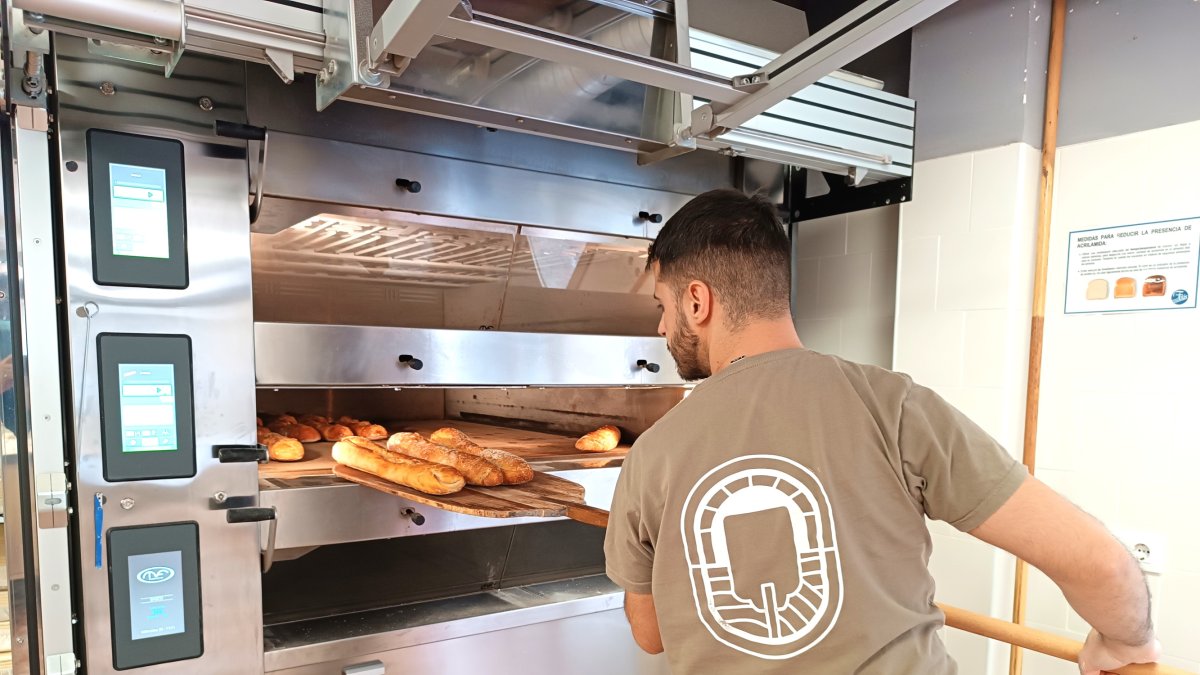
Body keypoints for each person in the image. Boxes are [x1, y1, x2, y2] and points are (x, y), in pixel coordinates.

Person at [604, 189, 1161, 674]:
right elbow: (1103, 563)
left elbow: (651, 636)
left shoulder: (652, 455)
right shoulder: (893, 406)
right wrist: (1124, 640)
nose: (660, 325)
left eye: (663, 304)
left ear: (697, 301)